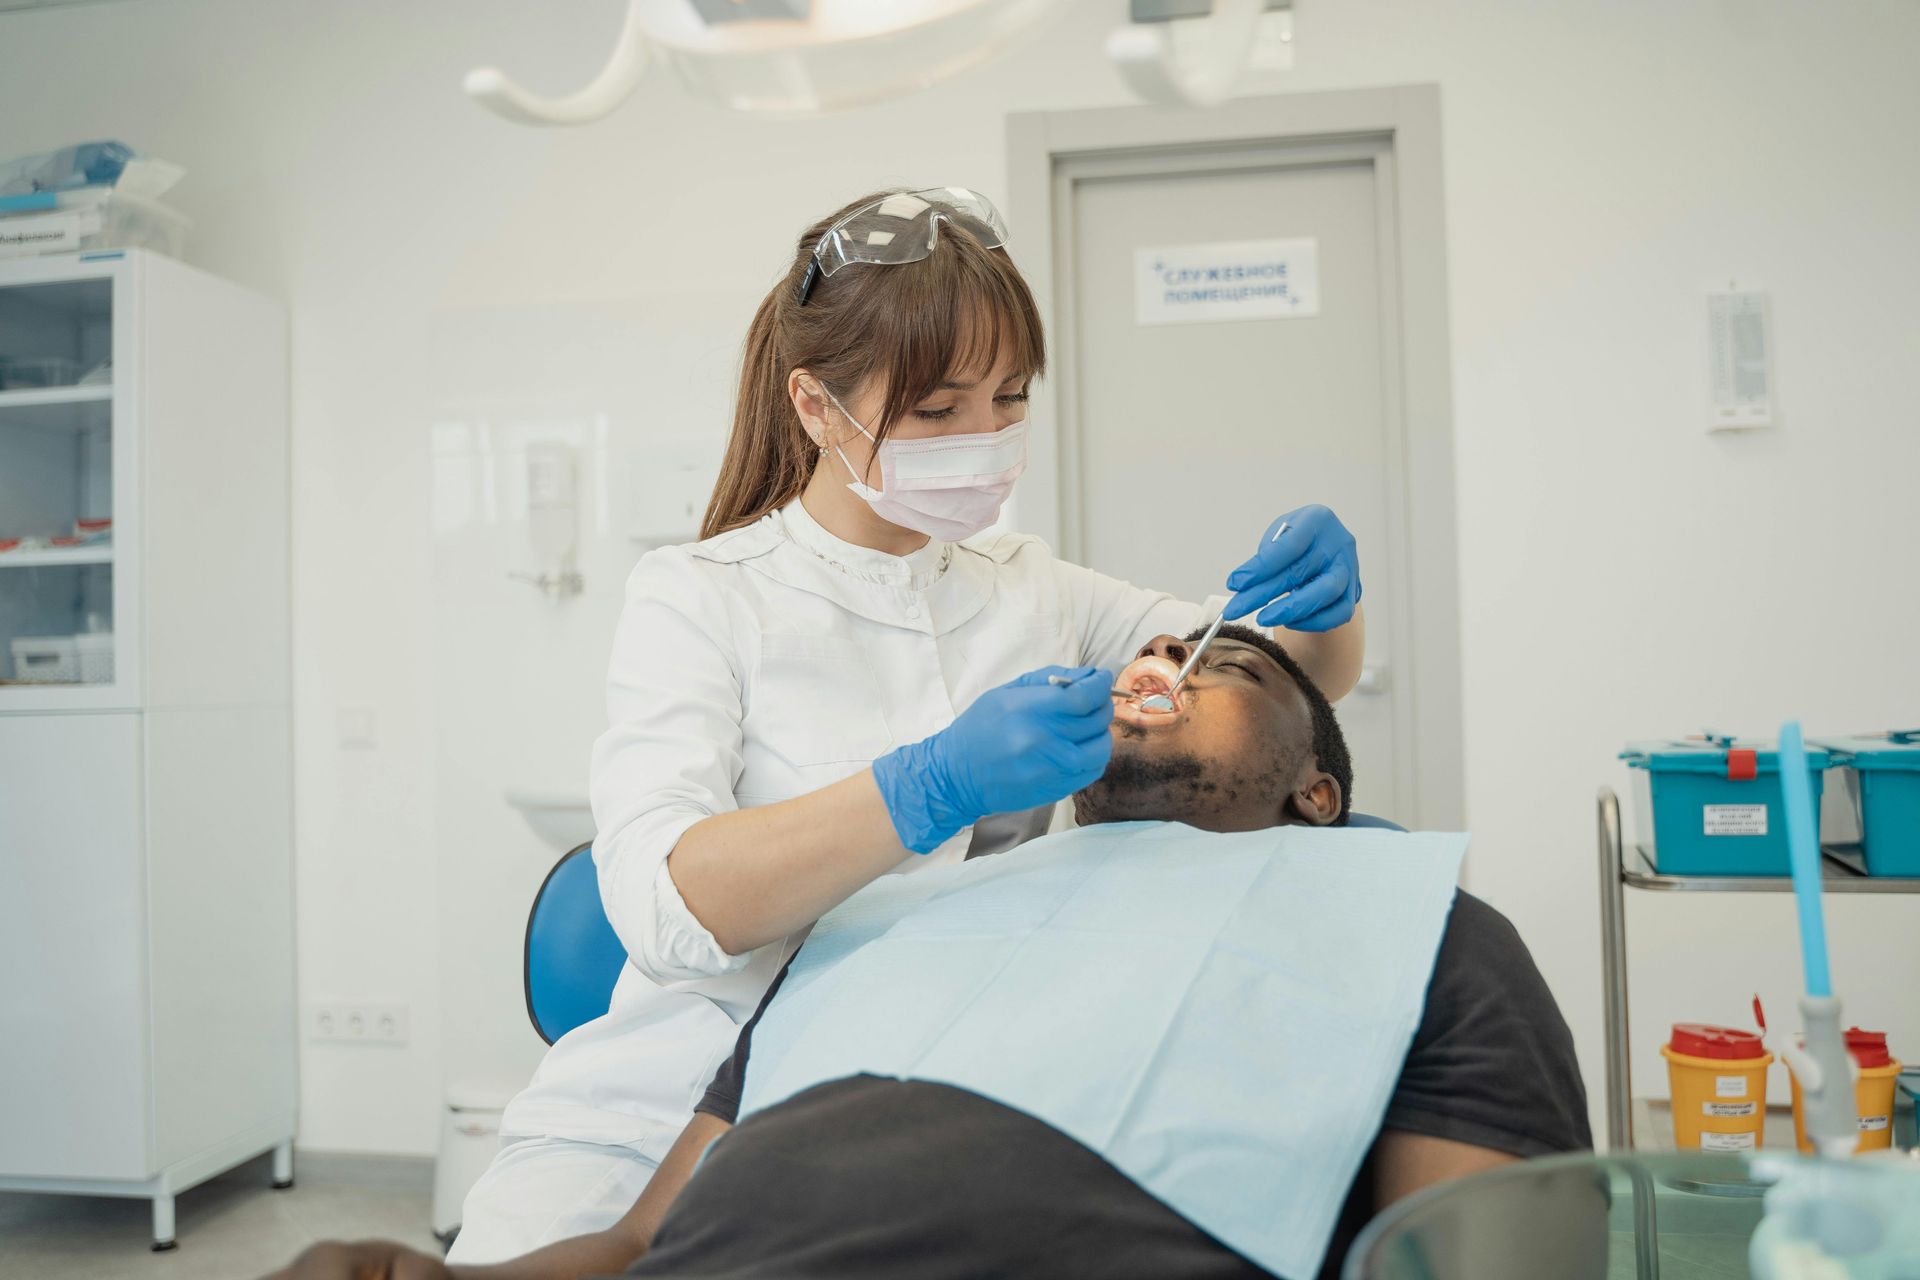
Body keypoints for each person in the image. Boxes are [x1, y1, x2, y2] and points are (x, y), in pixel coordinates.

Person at [447, 187, 1371, 1262]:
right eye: (937, 412)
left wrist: (1329, 610)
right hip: (660, 1102)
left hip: (918, 1098)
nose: (984, 437)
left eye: (1009, 398)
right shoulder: (700, 595)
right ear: (815, 406)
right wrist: (924, 787)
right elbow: (664, 904)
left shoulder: (1031, 587)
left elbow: (1275, 679)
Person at [270, 626, 1588, 1280]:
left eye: (1224, 664)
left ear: (1317, 791)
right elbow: (638, 1242)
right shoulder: (888, 912)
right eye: (1152, 651)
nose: (1165, 663)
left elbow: (1475, 1253)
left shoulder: (1414, 924)